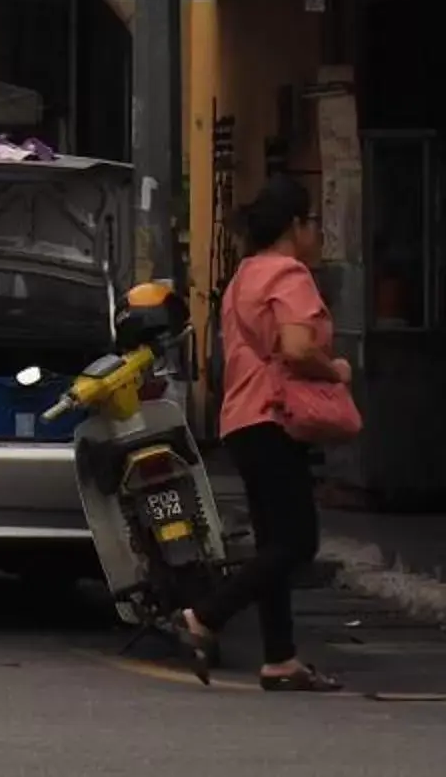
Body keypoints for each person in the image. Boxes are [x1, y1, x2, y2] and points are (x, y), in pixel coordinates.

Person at [175, 175, 351, 691]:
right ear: (295, 226)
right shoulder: (289, 275)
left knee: (274, 543)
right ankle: (206, 615)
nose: (316, 233)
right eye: (312, 222)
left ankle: (281, 658)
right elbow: (297, 349)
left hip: (242, 420)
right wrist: (335, 370)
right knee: (297, 542)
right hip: (275, 418)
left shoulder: (244, 276)